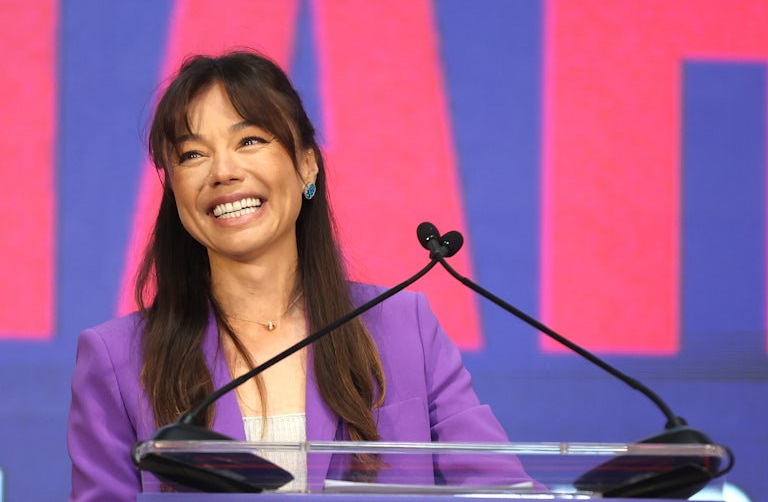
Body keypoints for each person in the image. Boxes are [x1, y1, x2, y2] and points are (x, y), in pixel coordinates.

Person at [67, 50, 535, 501]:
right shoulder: (117, 360)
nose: (223, 171)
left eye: (249, 140)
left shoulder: (404, 329)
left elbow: (503, 492)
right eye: (192, 155)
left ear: (307, 163)